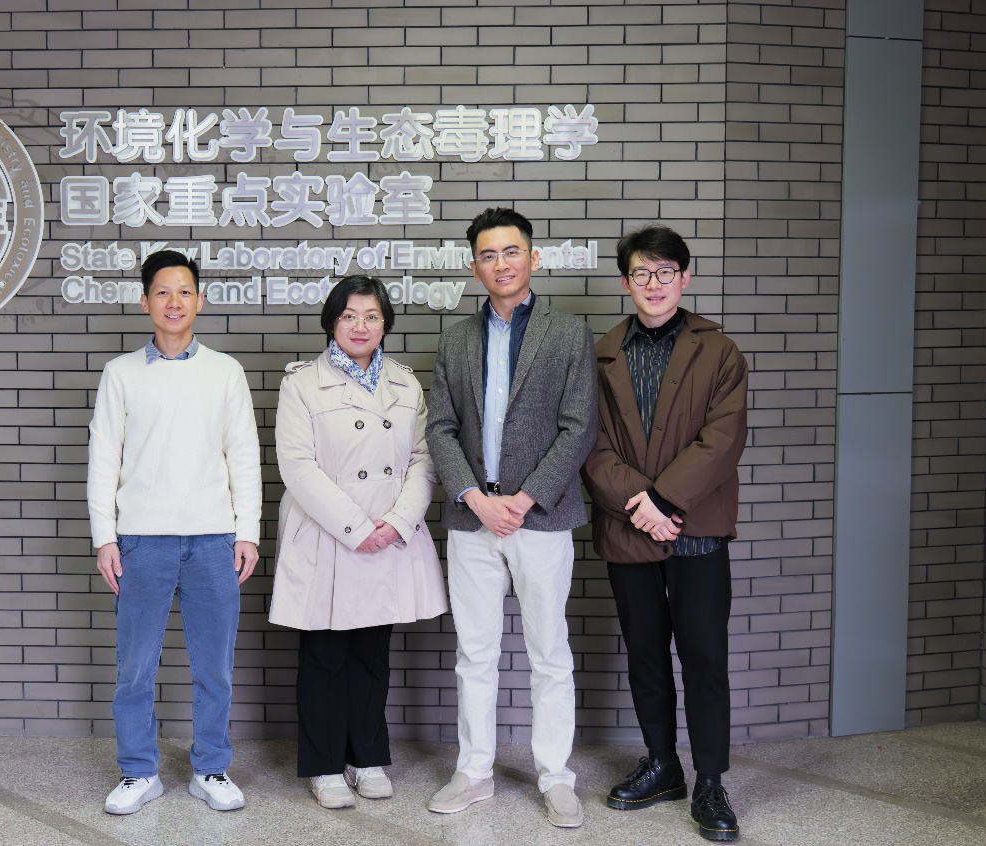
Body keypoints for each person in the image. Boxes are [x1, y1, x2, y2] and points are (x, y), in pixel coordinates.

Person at [424, 207, 598, 828]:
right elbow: (440, 428)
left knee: (549, 652)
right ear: (474, 266)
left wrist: (523, 500)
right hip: (474, 520)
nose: (501, 263)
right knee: (474, 654)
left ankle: (556, 777)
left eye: (511, 251)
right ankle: (474, 772)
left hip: (541, 519)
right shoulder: (455, 340)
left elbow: (580, 427)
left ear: (533, 257)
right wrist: (475, 497)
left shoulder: (568, 333)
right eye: (488, 255)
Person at [581, 224, 748, 842]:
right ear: (626, 282)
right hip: (630, 530)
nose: (654, 284)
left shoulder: (719, 351)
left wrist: (663, 500)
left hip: (695, 527)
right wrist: (641, 505)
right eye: (641, 273)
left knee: (704, 658)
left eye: (665, 272)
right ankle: (662, 765)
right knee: (646, 655)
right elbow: (590, 444)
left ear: (685, 276)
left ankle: (710, 781)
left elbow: (723, 438)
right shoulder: (602, 355)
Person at [86, 249, 262, 816]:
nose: (174, 302)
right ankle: (139, 771)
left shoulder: (225, 371)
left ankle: (211, 767)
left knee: (214, 667)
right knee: (135, 668)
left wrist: (248, 532)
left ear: (200, 300)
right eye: (162, 292)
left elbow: (244, 457)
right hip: (141, 541)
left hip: (214, 539)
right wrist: (105, 538)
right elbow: (103, 461)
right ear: (145, 302)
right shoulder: (120, 374)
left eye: (184, 291)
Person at [271, 275, 448, 810]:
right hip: (330, 537)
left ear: (385, 324)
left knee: (372, 655)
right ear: (332, 321)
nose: (360, 326)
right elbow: (297, 467)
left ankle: (368, 757)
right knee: (325, 656)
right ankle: (324, 766)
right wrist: (356, 527)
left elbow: (423, 459)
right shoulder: (302, 383)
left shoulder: (406, 384)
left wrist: (399, 521)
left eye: (371, 316)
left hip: (388, 536)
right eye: (349, 315)